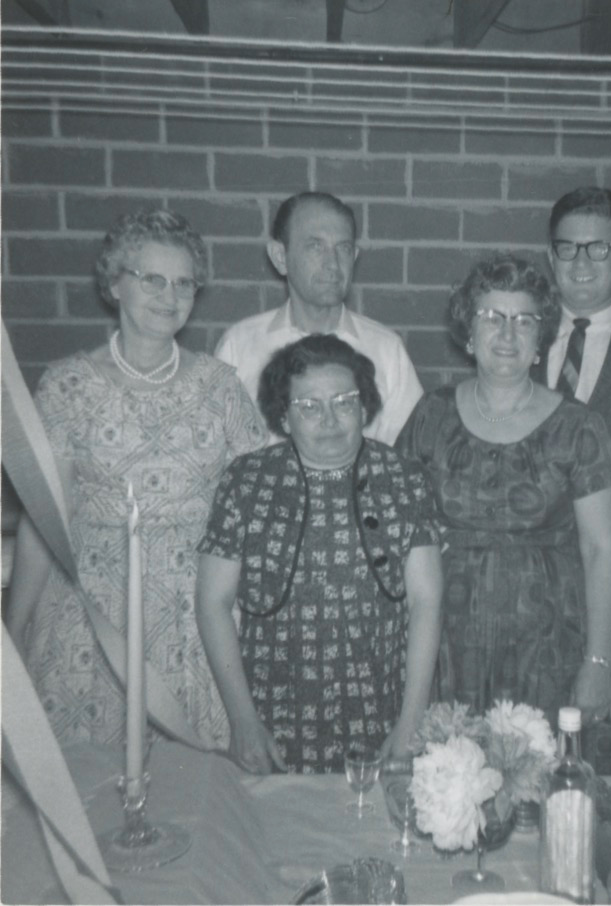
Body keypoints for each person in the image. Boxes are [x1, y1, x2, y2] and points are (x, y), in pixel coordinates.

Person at [5, 209, 267, 748]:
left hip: (196, 616)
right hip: (91, 618)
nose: (169, 296)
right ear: (114, 284)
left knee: (195, 797)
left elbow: (257, 514)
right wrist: (12, 635)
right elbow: (42, 519)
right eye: (152, 279)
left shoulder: (221, 388)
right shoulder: (67, 386)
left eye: (184, 282)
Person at [195, 335, 443, 774]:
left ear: (365, 409)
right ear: (284, 417)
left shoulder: (404, 478)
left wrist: (410, 725)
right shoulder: (248, 481)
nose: (329, 420)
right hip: (274, 712)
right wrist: (243, 721)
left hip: (379, 707)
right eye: (308, 406)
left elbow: (426, 602)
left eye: (344, 402)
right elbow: (213, 602)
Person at [396, 254, 611, 732]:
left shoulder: (579, 427)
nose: (507, 333)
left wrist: (599, 663)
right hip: (446, 643)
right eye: (491, 317)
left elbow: (601, 550)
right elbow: (400, 536)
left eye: (524, 320)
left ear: (541, 339)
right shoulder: (430, 416)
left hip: (547, 646)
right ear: (468, 332)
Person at [215, 191, 423, 446]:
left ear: (354, 257)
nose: (333, 264)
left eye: (343, 248)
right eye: (315, 246)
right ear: (280, 257)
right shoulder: (239, 346)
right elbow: (218, 456)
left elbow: (407, 457)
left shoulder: (387, 350)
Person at [533, 187, 611, 435]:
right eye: (568, 248)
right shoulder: (521, 339)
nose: (581, 262)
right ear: (551, 257)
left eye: (598, 248)